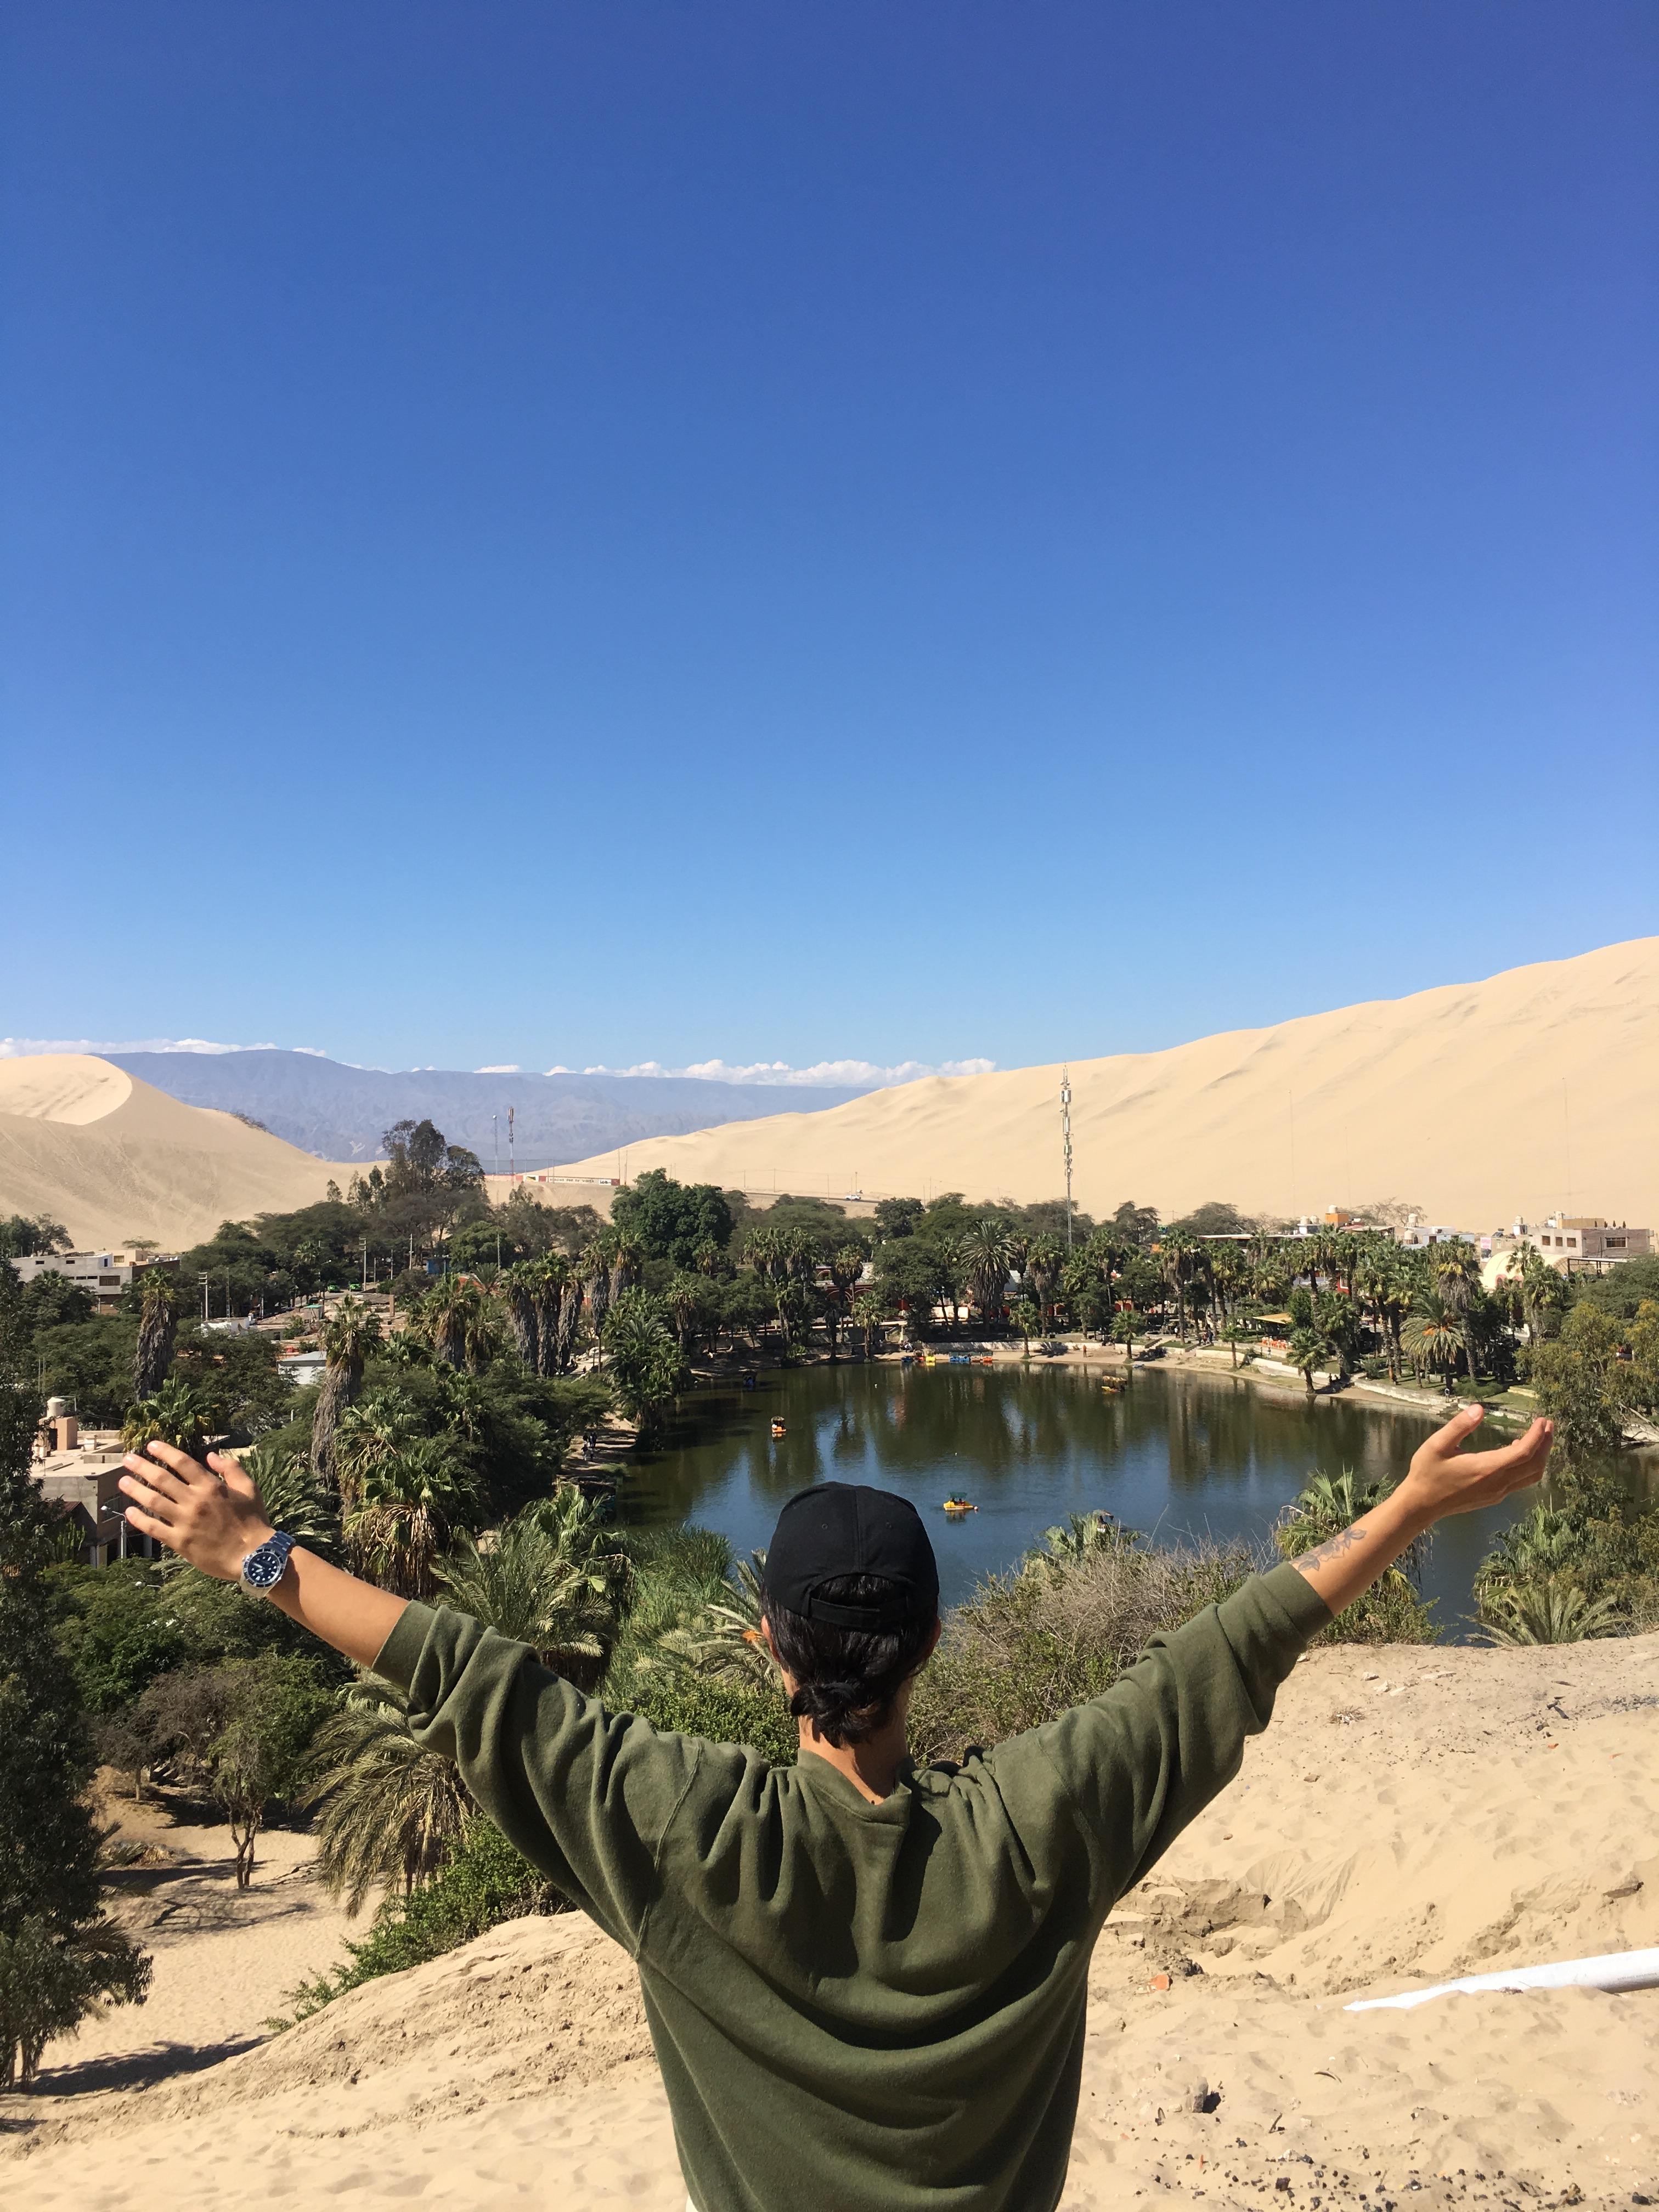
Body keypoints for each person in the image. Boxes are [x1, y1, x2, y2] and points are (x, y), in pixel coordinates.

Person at [119, 1404, 1553, 2212]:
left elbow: (474, 1679)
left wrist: (256, 1553)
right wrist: (1409, 1513)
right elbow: (1226, 1650)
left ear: (767, 1645)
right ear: (933, 1640)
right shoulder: (1046, 1823)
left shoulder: (680, 1831)